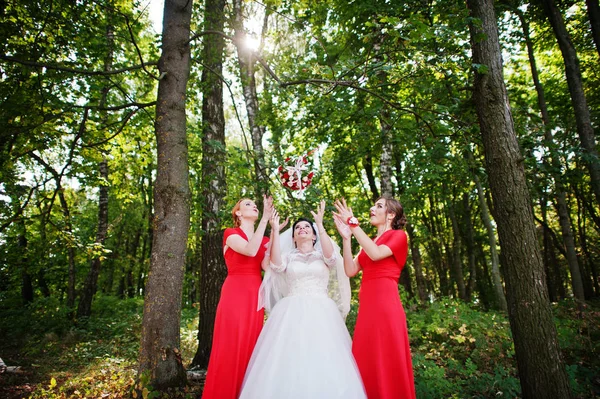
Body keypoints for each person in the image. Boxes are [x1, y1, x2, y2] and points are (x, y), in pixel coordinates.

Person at [238, 201, 366, 399]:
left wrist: (320, 224)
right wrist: (273, 230)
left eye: (307, 227)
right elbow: (276, 265)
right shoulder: (288, 256)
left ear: (314, 235)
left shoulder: (322, 255)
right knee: (289, 356)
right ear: (293, 237)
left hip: (322, 311)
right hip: (291, 311)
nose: (302, 229)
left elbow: (332, 259)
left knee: (325, 354)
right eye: (297, 228)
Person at [333, 196, 416, 399]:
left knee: (387, 358)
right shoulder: (368, 242)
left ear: (391, 214)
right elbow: (350, 270)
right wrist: (346, 238)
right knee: (366, 358)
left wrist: (353, 224)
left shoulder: (399, 236)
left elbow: (377, 254)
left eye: (379, 206)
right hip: (367, 309)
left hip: (386, 306)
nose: (372, 208)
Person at [201, 196, 275, 399]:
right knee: (231, 345)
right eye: (248, 204)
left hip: (255, 294)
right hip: (235, 292)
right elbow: (250, 251)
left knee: (252, 345)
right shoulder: (230, 234)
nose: (254, 206)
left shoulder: (265, 239)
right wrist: (264, 221)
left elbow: (267, 267)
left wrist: (275, 231)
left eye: (255, 205)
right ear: (238, 213)